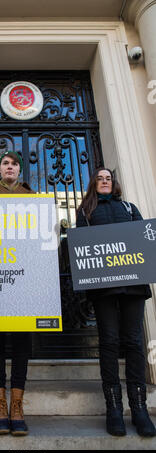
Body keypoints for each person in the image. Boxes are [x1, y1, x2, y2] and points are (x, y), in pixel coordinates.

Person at [76, 167, 156, 438]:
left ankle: (139, 408)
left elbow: (146, 240)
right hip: (103, 288)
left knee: (133, 341)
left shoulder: (130, 208)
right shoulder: (85, 212)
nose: (105, 180)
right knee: (109, 341)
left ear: (114, 183)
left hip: (133, 284)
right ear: (94, 184)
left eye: (108, 177)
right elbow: (80, 247)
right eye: (100, 178)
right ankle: (114, 408)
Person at [0, 151, 35, 436]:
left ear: (19, 169)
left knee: (21, 343)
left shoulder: (34, 198)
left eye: (15, 163)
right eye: (6, 163)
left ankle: (17, 405)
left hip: (25, 281)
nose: (10, 167)